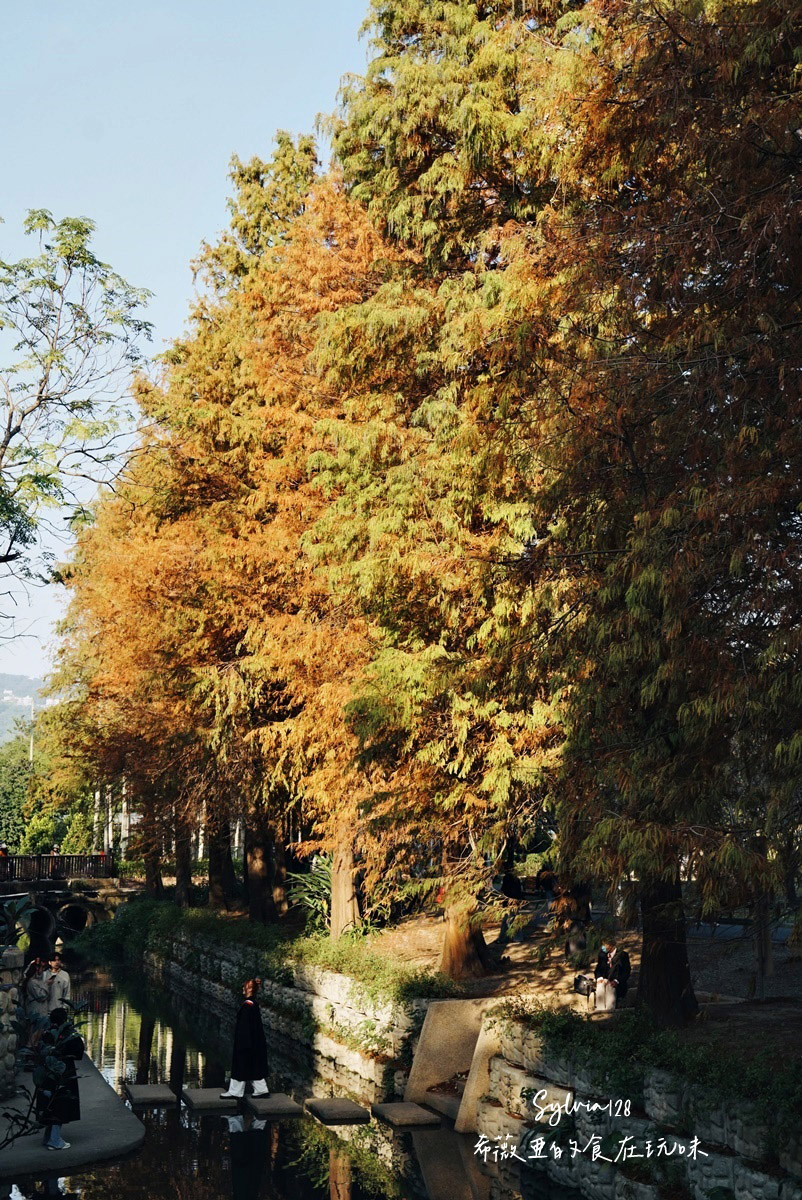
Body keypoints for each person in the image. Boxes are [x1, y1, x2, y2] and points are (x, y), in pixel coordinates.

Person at [36, 1007, 85, 1151]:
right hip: (63, 1072)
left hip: (47, 1073)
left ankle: (49, 1137)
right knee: (60, 1104)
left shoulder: (47, 1034)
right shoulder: (68, 1035)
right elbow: (78, 1051)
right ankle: (54, 1140)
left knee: (49, 1103)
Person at [220, 979, 269, 1099]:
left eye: (244, 988)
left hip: (245, 1041)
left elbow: (244, 1027)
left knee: (240, 1065)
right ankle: (261, 1089)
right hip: (256, 1041)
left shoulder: (247, 1006)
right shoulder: (253, 1004)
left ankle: (235, 1092)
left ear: (248, 990)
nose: (242, 990)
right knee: (255, 1065)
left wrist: (243, 1043)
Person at [23, 958, 50, 1043]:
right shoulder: (32, 982)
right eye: (42, 968)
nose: (43, 970)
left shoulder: (37, 981)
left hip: (40, 1012)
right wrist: (46, 984)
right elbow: (41, 996)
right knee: (34, 1035)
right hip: (35, 1012)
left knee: (39, 1034)